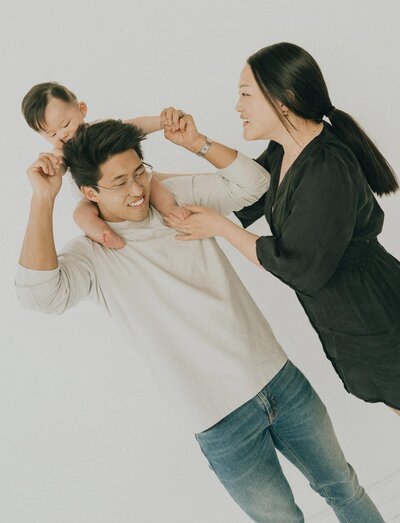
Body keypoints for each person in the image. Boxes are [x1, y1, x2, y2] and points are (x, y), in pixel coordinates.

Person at [16, 114, 385, 523]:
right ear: (90, 192)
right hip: (220, 422)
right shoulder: (93, 253)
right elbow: (40, 296)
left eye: (139, 173)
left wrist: (197, 143)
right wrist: (43, 199)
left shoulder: (175, 199)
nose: (136, 189)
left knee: (344, 489)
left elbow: (256, 185)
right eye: (119, 183)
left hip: (280, 379)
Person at [165, 42, 400, 416]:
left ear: (285, 98)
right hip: (351, 318)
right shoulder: (284, 150)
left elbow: (298, 266)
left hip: (376, 313)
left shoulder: (326, 165)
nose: (237, 107)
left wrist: (222, 228)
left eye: (245, 94)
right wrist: (195, 145)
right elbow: (245, 193)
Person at [21, 82, 189, 249]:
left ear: (81, 109)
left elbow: (133, 127)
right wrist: (53, 167)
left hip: (124, 182)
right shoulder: (61, 151)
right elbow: (60, 166)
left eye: (65, 125)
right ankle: (105, 235)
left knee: (151, 182)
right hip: (93, 197)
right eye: (52, 134)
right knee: (80, 213)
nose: (62, 134)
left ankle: (170, 209)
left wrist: (161, 122)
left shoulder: (99, 130)